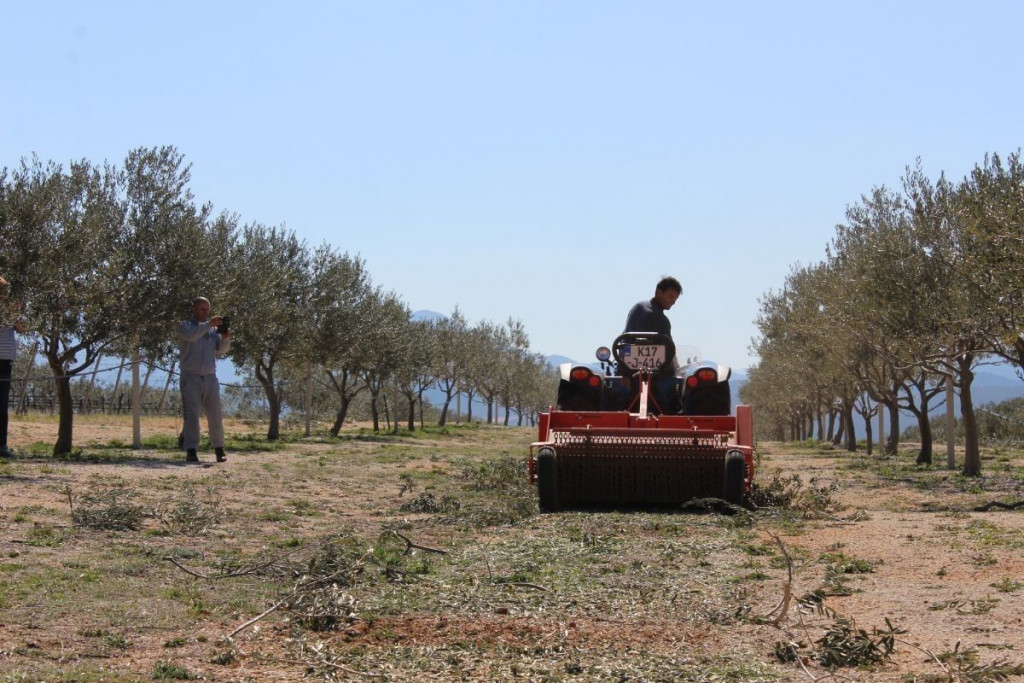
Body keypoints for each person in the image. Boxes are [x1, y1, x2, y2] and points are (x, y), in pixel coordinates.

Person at [178, 296, 231, 463]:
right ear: (194, 309)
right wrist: (208, 324)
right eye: (202, 309)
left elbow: (221, 350)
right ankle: (191, 450)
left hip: (210, 377)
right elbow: (191, 337)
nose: (206, 312)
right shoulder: (185, 326)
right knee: (192, 415)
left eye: (208, 309)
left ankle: (219, 448)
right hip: (191, 376)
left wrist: (225, 338)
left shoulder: (212, 330)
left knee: (215, 414)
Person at [1, 276, 27, 459]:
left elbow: (22, 328)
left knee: (1, 405)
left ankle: (1, 445)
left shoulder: (9, 311)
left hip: (5, 359)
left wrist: (15, 313)